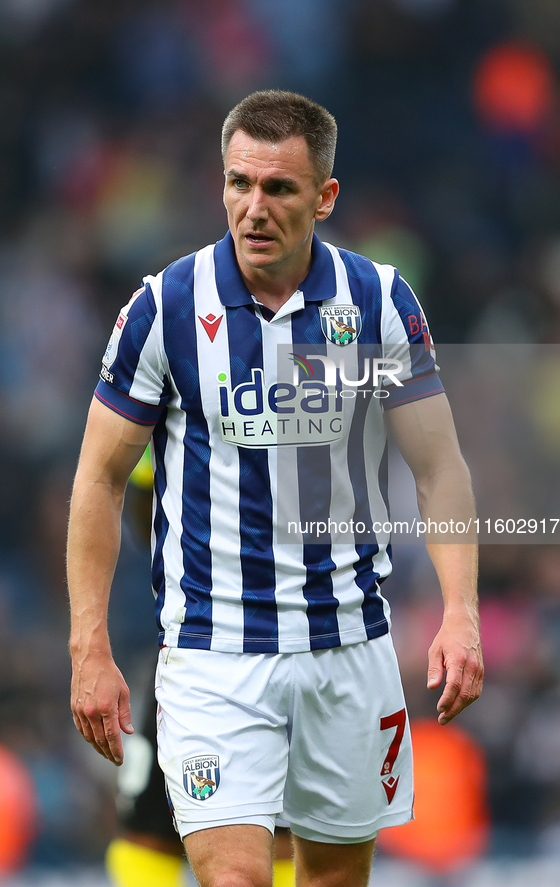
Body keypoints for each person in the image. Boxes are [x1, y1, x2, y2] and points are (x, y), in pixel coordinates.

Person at [68, 90, 483, 887]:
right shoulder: (165, 308)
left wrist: (459, 612)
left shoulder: (379, 302)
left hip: (347, 650)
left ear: (324, 197)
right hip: (213, 656)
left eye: (279, 188)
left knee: (329, 878)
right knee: (236, 879)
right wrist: (90, 645)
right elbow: (99, 477)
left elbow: (438, 467)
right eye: (238, 184)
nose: (253, 208)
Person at [105, 450, 295, 887]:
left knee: (285, 829)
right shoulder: (168, 392)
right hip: (196, 636)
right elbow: (137, 503)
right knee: (150, 829)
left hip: (275, 635)